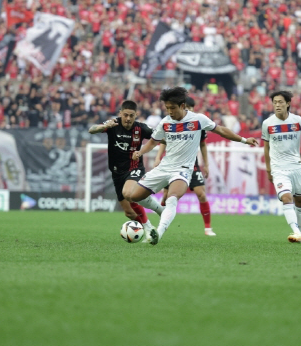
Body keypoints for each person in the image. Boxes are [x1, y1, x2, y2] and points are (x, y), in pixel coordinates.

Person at [126, 87, 258, 246]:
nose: (170, 112)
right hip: (164, 167)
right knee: (134, 196)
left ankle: (158, 233)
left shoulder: (198, 119)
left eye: (172, 108)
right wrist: (140, 152)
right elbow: (154, 142)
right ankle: (160, 211)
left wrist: (244, 140)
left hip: (183, 170)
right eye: (167, 108)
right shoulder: (165, 122)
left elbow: (222, 130)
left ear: (182, 106)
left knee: (172, 199)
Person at [88, 100, 156, 239]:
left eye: (131, 115)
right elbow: (92, 129)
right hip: (117, 172)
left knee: (128, 193)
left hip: (134, 168)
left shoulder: (141, 128)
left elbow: (159, 137)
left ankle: (149, 226)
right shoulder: (113, 124)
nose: (128, 118)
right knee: (129, 213)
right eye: (125, 115)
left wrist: (143, 151)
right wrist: (103, 127)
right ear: (120, 113)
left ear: (136, 115)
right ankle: (148, 229)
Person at [262, 90, 301, 244]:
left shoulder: (297, 121)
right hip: (278, 168)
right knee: (286, 197)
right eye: (275, 102)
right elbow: (266, 148)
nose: (277, 105)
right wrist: (269, 169)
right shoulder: (267, 123)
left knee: (300, 201)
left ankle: (299, 233)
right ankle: (296, 232)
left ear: (288, 103)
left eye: (280, 102)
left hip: (296, 167)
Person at [155, 96, 215, 236]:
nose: (190, 110)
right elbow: (163, 141)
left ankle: (208, 228)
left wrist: (206, 164)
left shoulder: (198, 123)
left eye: (192, 108)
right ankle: (163, 223)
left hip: (191, 164)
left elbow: (203, 144)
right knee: (165, 197)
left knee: (201, 193)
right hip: (172, 164)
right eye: (188, 108)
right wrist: (158, 157)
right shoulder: (172, 123)